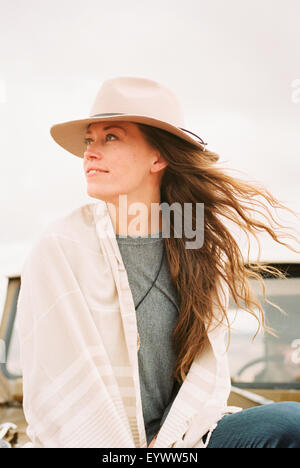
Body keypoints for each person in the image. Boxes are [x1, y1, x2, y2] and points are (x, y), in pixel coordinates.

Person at [16, 76, 300, 448]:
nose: (90, 152)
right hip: (93, 446)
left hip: (179, 444)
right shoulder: (60, 248)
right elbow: (55, 388)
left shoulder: (194, 244)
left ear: (159, 157)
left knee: (290, 421)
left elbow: (202, 376)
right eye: (90, 139)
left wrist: (164, 448)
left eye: (111, 137)